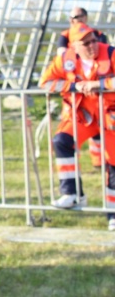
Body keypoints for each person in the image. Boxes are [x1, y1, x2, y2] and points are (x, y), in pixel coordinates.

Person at [39, 21, 115, 230]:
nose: (92, 45)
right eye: (86, 43)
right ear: (74, 46)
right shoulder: (65, 59)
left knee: (113, 164)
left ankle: (113, 214)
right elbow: (46, 83)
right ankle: (72, 194)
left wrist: (98, 85)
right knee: (61, 141)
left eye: (93, 40)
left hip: (110, 118)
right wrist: (75, 86)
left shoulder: (111, 53)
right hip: (83, 116)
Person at [56, 7, 109, 169]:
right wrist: (74, 85)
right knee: (64, 139)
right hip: (77, 102)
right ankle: (72, 181)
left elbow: (104, 57)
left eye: (78, 16)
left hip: (102, 102)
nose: (75, 19)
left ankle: (99, 162)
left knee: (101, 133)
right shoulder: (65, 36)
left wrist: (99, 84)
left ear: (86, 17)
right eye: (72, 17)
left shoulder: (99, 36)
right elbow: (61, 61)